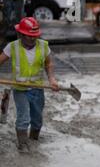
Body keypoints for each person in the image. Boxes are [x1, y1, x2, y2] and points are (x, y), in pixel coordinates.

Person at [0, 17, 59, 153]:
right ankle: (23, 145)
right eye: (28, 36)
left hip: (38, 89)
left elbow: (49, 63)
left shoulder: (43, 46)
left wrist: (52, 79)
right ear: (20, 34)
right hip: (20, 89)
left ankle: (34, 139)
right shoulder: (12, 46)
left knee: (37, 119)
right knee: (23, 118)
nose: (32, 39)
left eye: (34, 36)